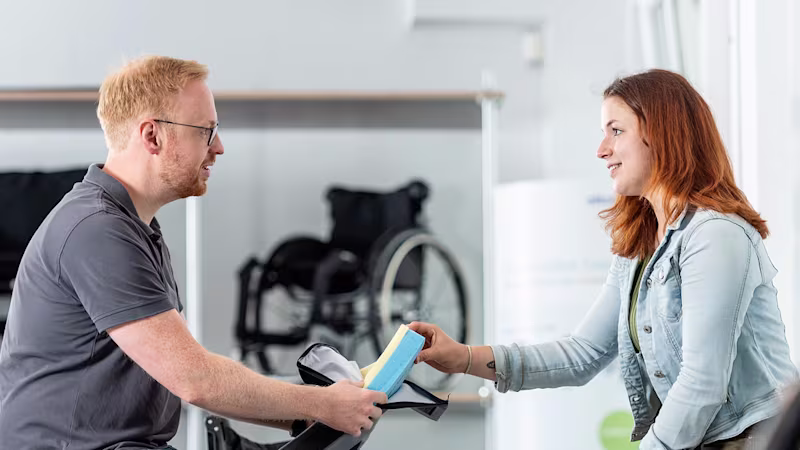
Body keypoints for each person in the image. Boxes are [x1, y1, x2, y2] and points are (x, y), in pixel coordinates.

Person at [0, 56, 386, 449]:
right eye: (205, 131)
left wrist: (321, 409)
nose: (218, 147)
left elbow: (190, 373)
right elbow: (194, 379)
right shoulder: (97, 230)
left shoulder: (134, 227)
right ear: (152, 136)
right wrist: (322, 405)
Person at [409, 69, 798, 450]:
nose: (601, 150)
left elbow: (703, 382)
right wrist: (463, 357)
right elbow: (583, 353)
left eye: (616, 130)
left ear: (661, 133)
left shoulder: (715, 235)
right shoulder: (643, 246)